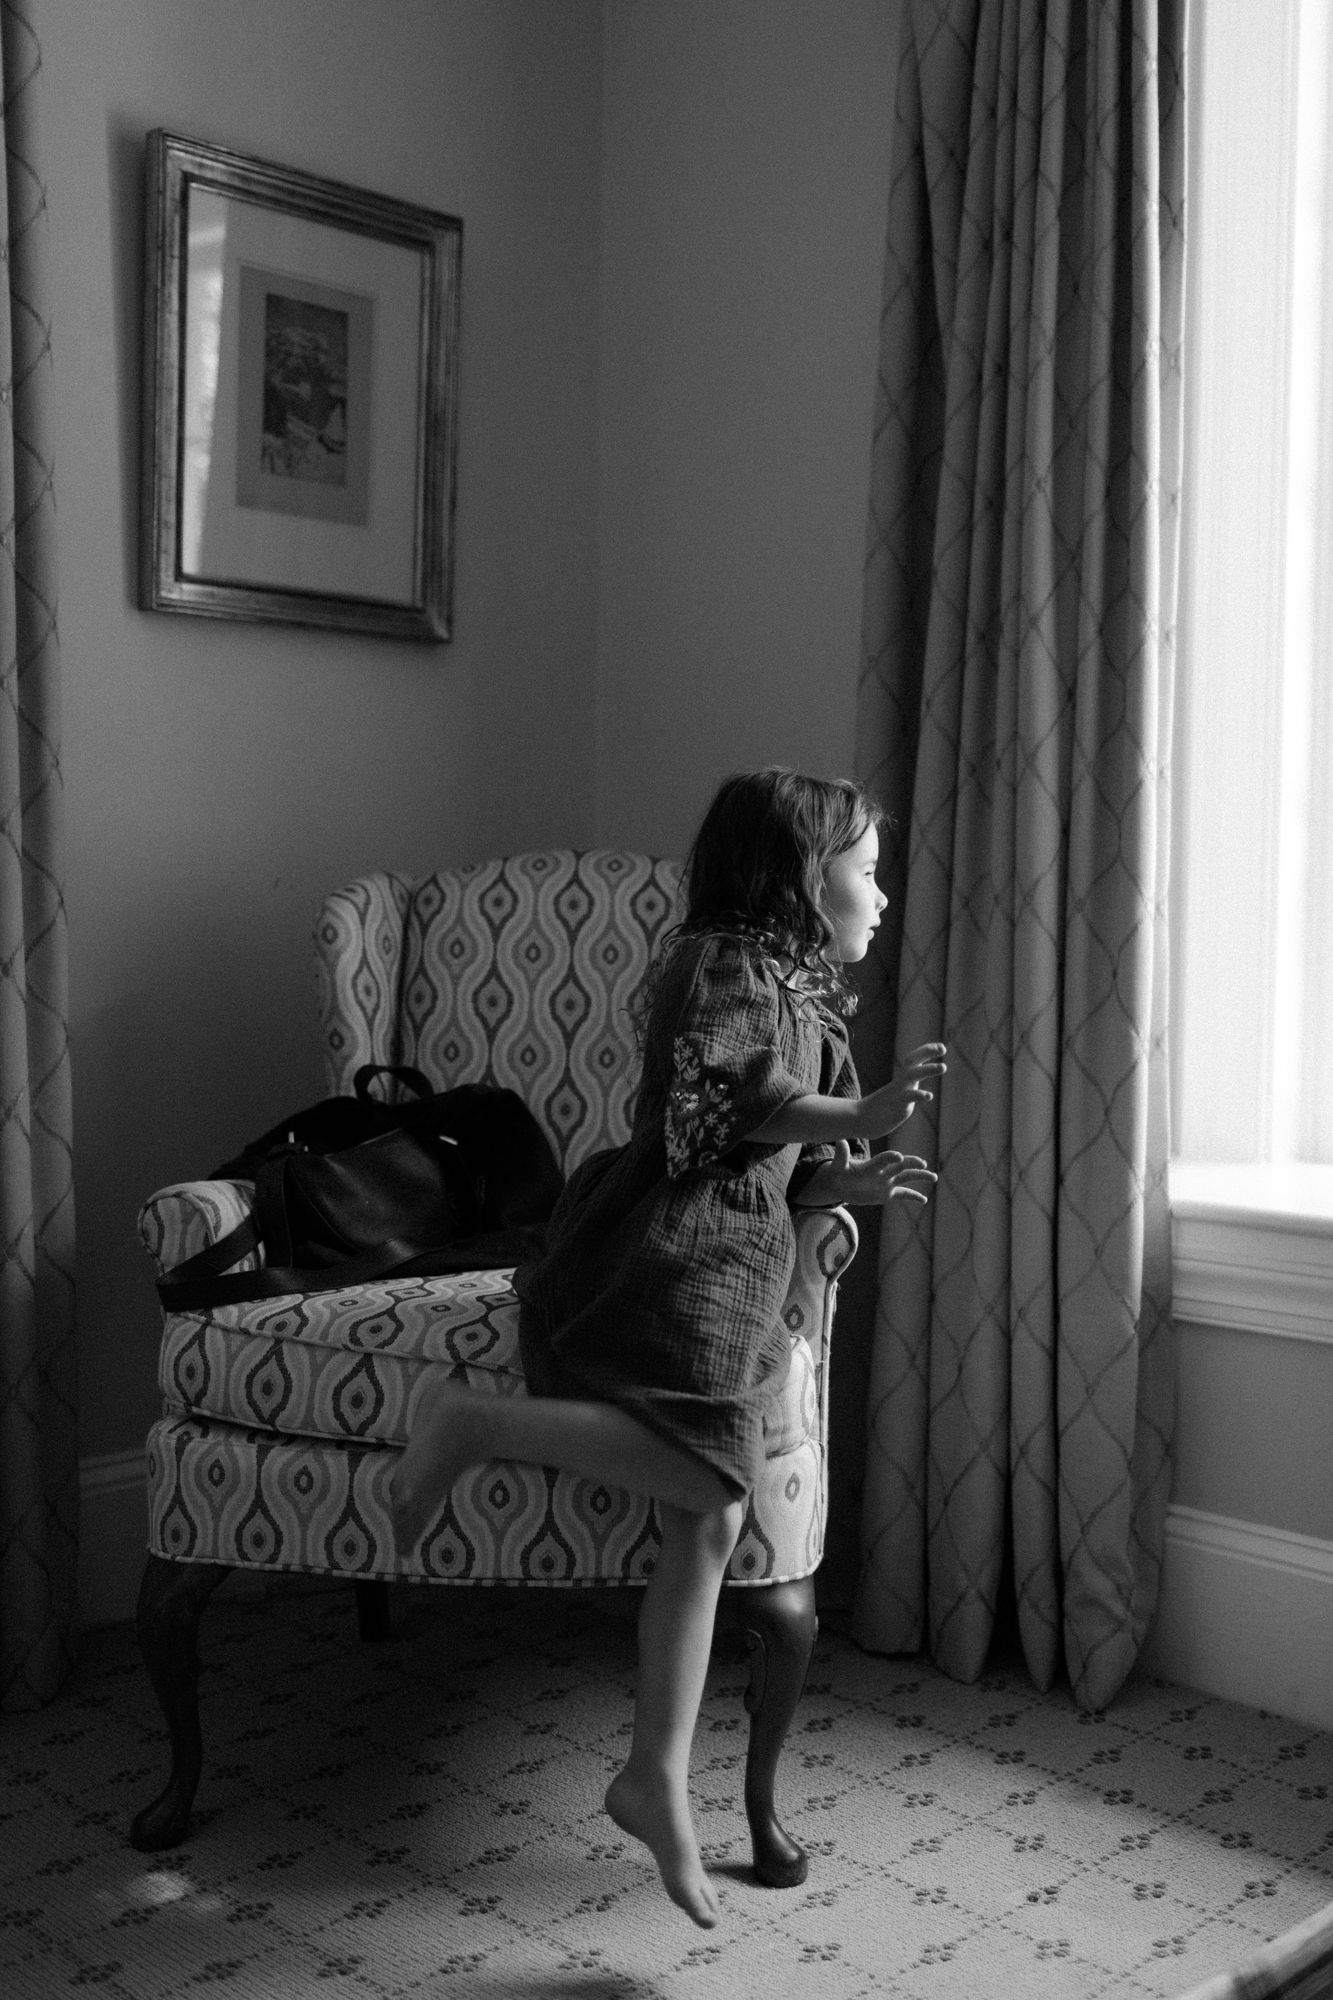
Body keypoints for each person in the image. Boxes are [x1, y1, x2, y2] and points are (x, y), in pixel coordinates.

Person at [391, 769, 946, 1928]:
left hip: (739, 1262)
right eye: (866, 870)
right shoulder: (723, 965)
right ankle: (475, 1418)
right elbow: (716, 1108)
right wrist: (855, 1116)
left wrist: (852, 1174)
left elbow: (790, 1161)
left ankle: (653, 1772)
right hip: (670, 1246)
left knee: (707, 1516)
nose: (882, 894)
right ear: (803, 879)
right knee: (709, 1476)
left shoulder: (812, 1006)